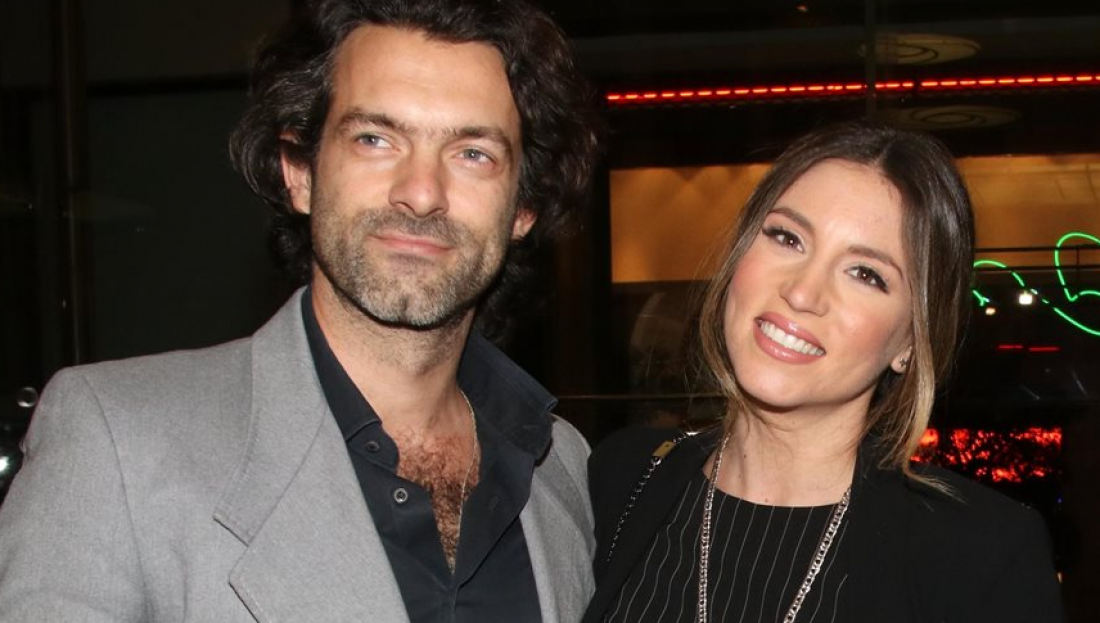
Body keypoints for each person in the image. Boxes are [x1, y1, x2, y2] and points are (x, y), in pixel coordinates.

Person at [0, 0, 600, 620]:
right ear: (300, 172)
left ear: (523, 207)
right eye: (375, 139)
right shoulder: (116, 443)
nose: (422, 193)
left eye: (473, 153)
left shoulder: (561, 466)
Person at [583, 122, 1065, 623]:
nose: (802, 292)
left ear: (911, 340)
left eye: (866, 274)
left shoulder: (980, 555)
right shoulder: (623, 476)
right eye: (787, 237)